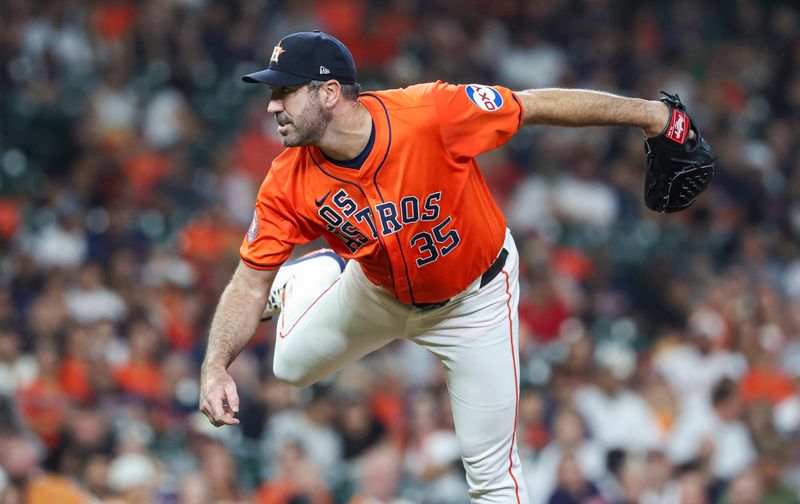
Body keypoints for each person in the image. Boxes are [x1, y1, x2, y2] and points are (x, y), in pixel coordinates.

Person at [199, 30, 674, 503]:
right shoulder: (286, 179)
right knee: (289, 368)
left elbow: (533, 105)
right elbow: (248, 282)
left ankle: (317, 272)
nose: (271, 106)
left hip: (474, 300)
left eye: (284, 91)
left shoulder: (431, 113)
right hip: (376, 291)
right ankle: (312, 273)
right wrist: (216, 365)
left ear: (328, 93)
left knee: (493, 480)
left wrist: (652, 116)